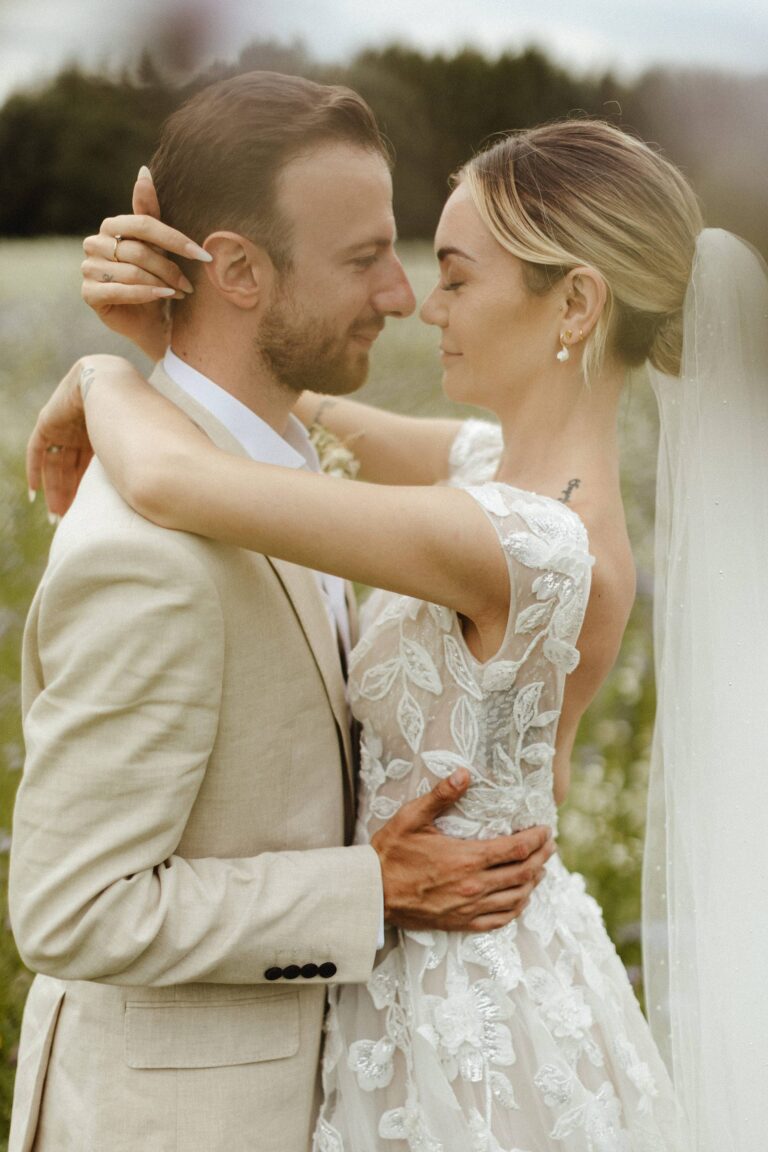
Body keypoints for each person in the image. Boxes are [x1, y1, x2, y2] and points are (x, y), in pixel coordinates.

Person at [29, 114, 724, 1149]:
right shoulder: (491, 467)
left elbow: (179, 478)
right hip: (454, 965)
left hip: (460, 1008)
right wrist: (187, 329)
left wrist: (107, 380)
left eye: (456, 276)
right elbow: (288, 407)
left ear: (574, 304)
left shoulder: (522, 542)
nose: (419, 305)